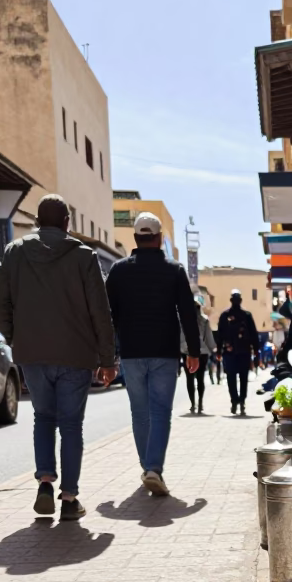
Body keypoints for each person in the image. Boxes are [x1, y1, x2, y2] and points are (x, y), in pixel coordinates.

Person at [0, 194, 117, 520]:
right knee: (71, 425)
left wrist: (14, 337)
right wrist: (107, 358)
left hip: (33, 354)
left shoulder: (15, 252)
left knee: (43, 418)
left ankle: (45, 481)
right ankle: (70, 498)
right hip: (76, 355)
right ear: (66, 224)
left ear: (36, 222)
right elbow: (100, 312)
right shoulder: (84, 256)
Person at [106, 212, 200, 496]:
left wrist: (108, 354)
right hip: (164, 353)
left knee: (140, 413)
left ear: (135, 238)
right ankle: (153, 468)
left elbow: (108, 316)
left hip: (131, 354)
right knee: (160, 412)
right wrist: (193, 351)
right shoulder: (174, 270)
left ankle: (147, 466)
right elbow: (187, 313)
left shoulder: (118, 270)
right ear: (159, 238)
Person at [217, 289, 260, 415]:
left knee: (233, 378)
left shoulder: (227, 315)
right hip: (241, 351)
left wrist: (219, 351)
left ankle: (236, 401)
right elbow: (254, 335)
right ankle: (240, 402)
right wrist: (256, 351)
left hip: (234, 352)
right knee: (242, 378)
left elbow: (219, 336)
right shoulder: (245, 315)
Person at [184, 307, 216, 414]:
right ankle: (200, 402)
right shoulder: (204, 320)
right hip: (202, 352)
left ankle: (193, 403)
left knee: (189, 378)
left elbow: (180, 336)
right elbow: (208, 336)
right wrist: (212, 349)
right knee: (200, 378)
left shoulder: (184, 319)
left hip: (187, 351)